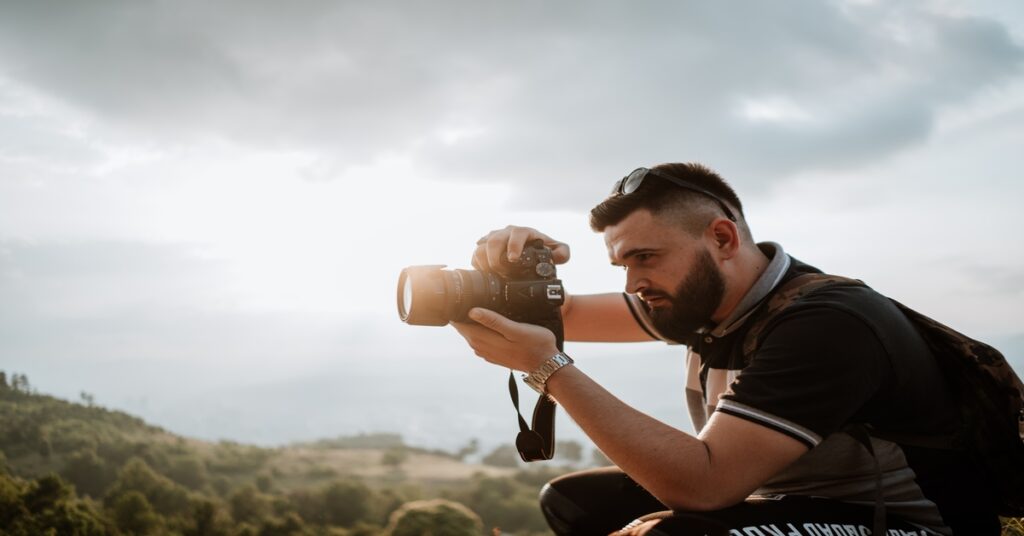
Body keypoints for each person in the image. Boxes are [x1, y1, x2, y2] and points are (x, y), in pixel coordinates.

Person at [451, 163, 1001, 536]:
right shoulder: (702, 302)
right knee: (572, 502)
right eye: (623, 264)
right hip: (788, 503)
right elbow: (560, 314)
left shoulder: (824, 323)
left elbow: (705, 484)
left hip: (909, 525)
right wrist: (519, 270)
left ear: (722, 238)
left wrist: (548, 368)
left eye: (645, 257)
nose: (632, 282)